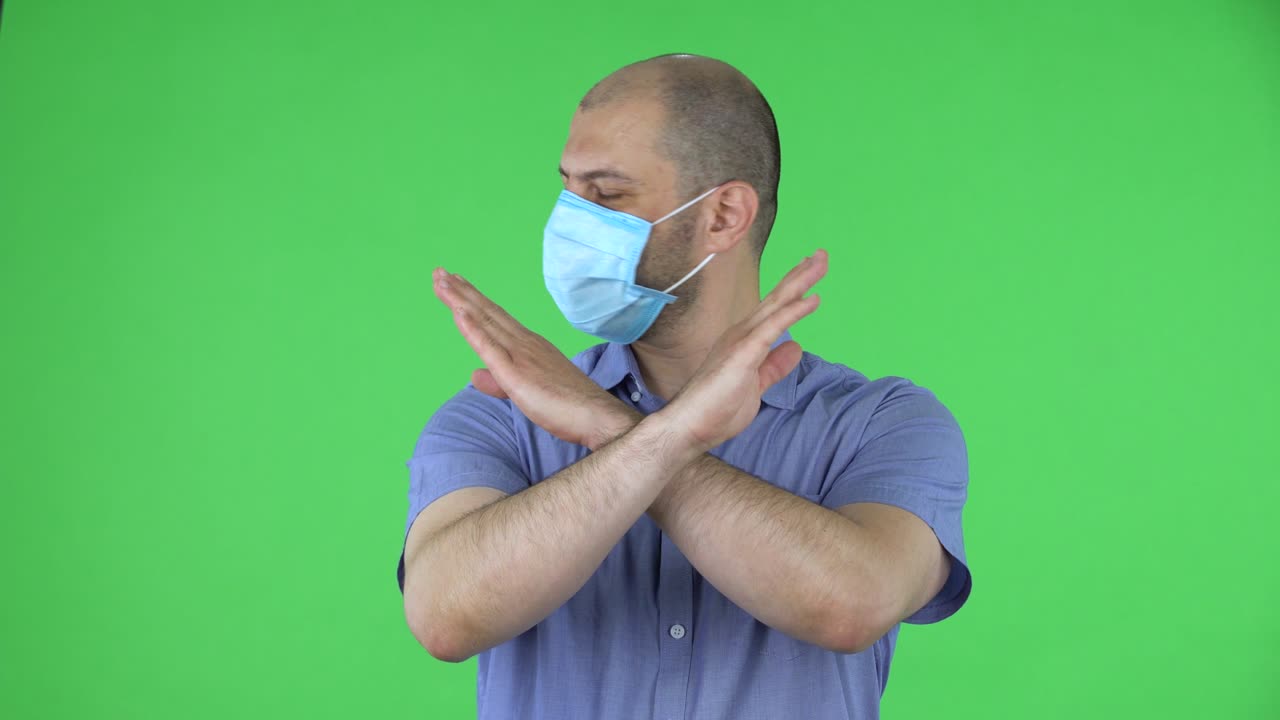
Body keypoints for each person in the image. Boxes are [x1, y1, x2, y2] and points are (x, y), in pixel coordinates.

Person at [396, 53, 972, 720]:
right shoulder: (497, 414)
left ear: (725, 215)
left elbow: (851, 605)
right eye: (566, 189)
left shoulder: (881, 422)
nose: (568, 224)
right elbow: (445, 615)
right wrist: (667, 437)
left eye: (608, 194)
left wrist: (607, 429)